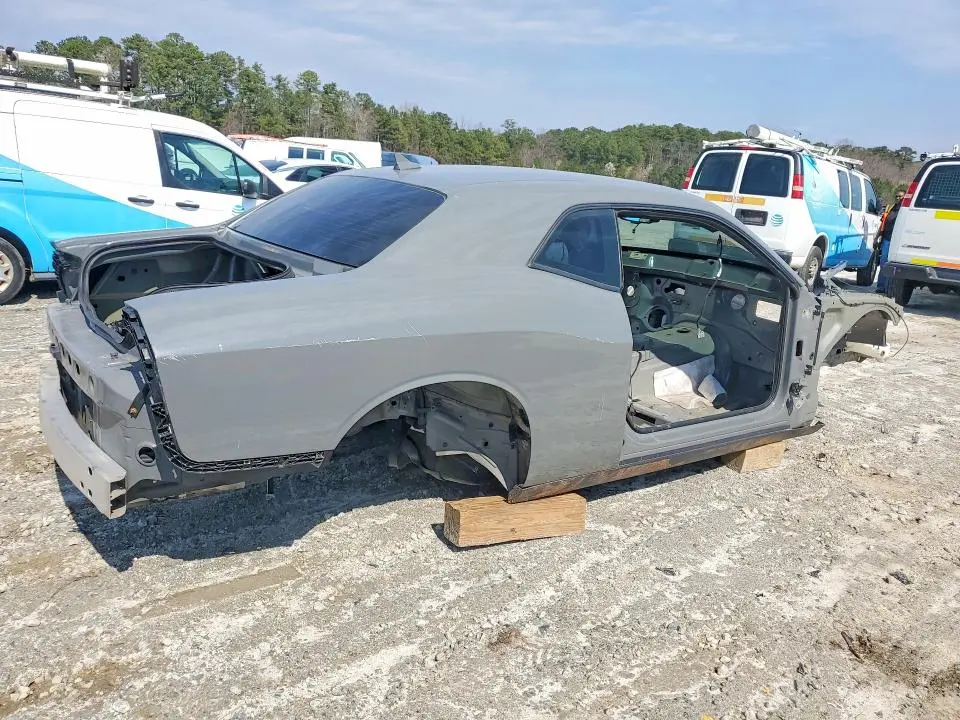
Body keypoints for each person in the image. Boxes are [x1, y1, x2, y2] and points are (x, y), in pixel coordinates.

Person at [876, 190, 904, 293]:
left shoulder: (905, 211)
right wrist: (877, 237)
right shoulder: (890, 208)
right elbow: (883, 223)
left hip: (898, 242)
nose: (898, 198)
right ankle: (881, 287)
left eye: (900, 197)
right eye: (897, 196)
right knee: (884, 264)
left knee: (894, 266)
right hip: (886, 239)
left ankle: (890, 288)